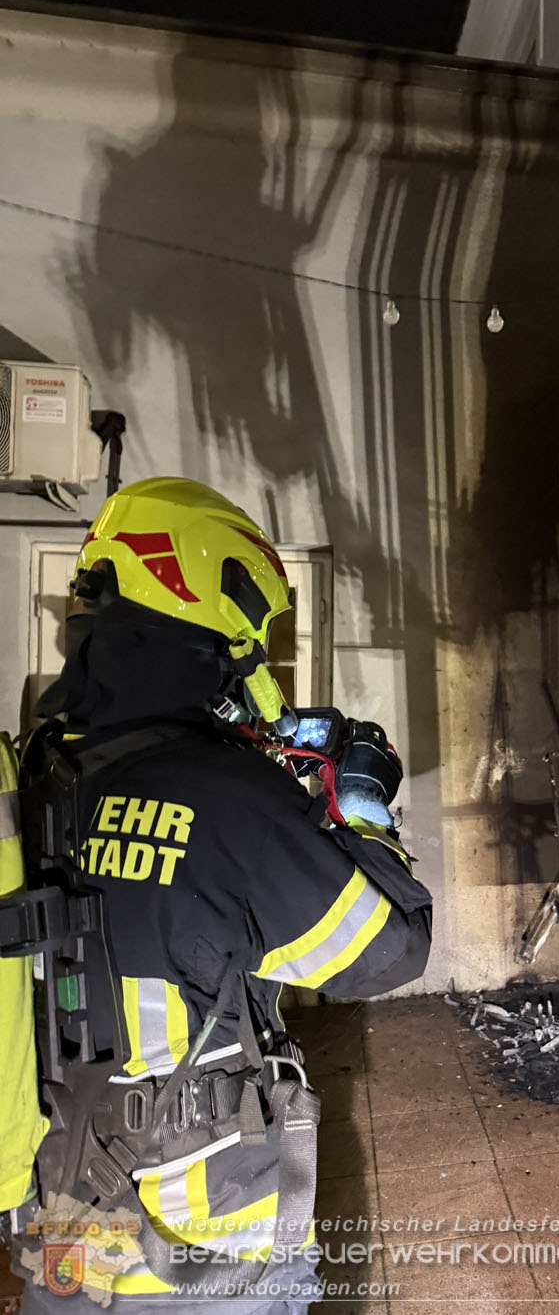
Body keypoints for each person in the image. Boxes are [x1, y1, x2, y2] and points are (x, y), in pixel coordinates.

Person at [7, 477, 432, 1311]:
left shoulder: (38, 766)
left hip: (64, 1217)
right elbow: (387, 949)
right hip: (202, 1246)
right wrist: (361, 801)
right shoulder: (227, 797)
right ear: (218, 632)